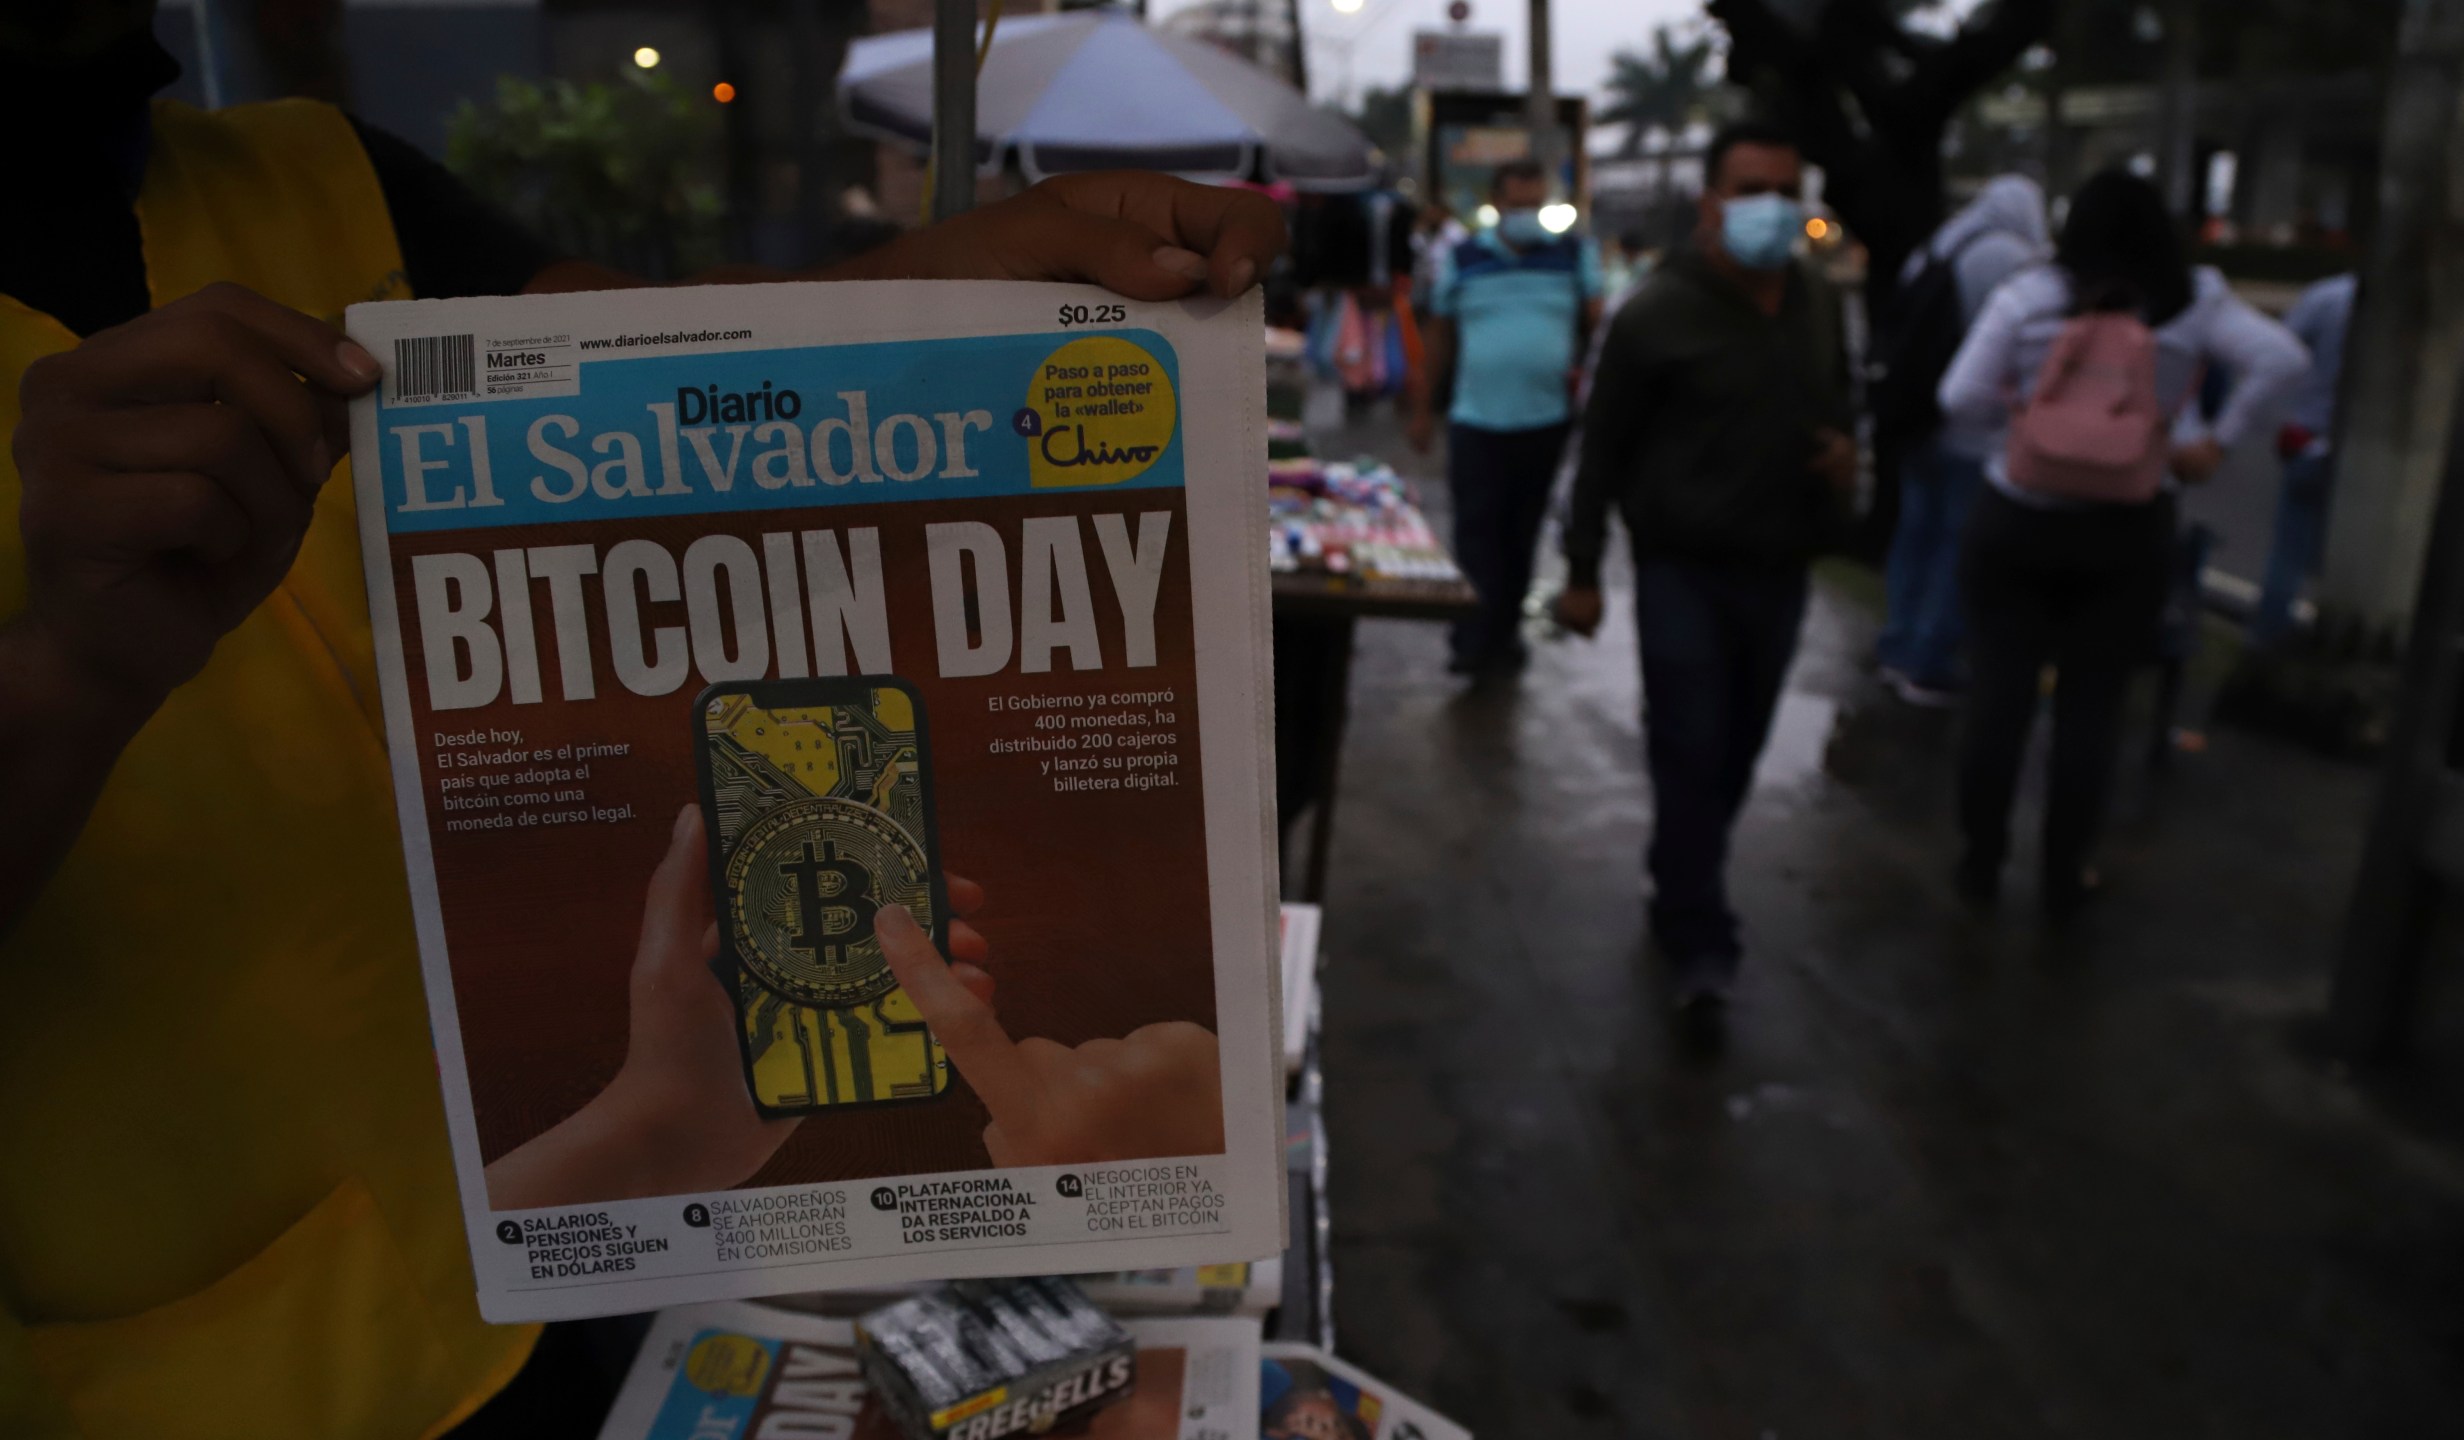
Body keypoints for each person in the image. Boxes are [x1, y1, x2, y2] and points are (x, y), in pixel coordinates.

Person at [0, 10, 1281, 1436]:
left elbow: (655, 359)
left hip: (559, 1238)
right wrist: (67, 673)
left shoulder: (314, 173)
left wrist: (941, 289)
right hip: (191, 1381)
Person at [1938, 170, 2308, 914]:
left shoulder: (2032, 296)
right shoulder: (2192, 301)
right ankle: (2066, 872)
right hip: (2127, 532)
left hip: (2017, 520)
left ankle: (1980, 861)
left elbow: (1959, 396)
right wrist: (2213, 442)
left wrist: (2024, 427)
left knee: (1999, 697)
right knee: (2092, 709)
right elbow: (2282, 360)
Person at [1554, 121, 1857, 1010]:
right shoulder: (1655, 313)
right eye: (1751, 189)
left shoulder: (1815, 300)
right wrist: (1580, 572)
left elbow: (1838, 404)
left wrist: (1845, 463)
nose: (1772, 209)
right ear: (1713, 201)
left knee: (1736, 751)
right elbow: (1600, 451)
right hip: (1679, 567)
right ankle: (1700, 938)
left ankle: (1680, 872)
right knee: (1687, 740)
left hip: (1782, 565)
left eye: (1785, 190)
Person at [1409, 158, 1602, 676]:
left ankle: (1505, 637)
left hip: (1546, 423)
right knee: (1476, 534)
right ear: (1495, 205)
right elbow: (1440, 336)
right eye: (1517, 204)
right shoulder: (1464, 257)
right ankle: (1471, 639)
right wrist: (1423, 408)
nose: (1526, 214)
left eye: (1534, 204)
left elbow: (1598, 329)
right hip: (1477, 421)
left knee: (1522, 536)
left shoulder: (1573, 255)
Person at [1874, 175, 2049, 706]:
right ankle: (1931, 661)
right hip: (1973, 430)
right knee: (1958, 544)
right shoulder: (2013, 259)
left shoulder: (1940, 244)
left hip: (1914, 418)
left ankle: (1897, 644)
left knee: (1914, 533)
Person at [2252, 271, 2357, 647]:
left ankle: (2267, 644)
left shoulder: (2329, 297)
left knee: (2288, 554)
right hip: (2368, 456)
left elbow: (2282, 353)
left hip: (2311, 438)